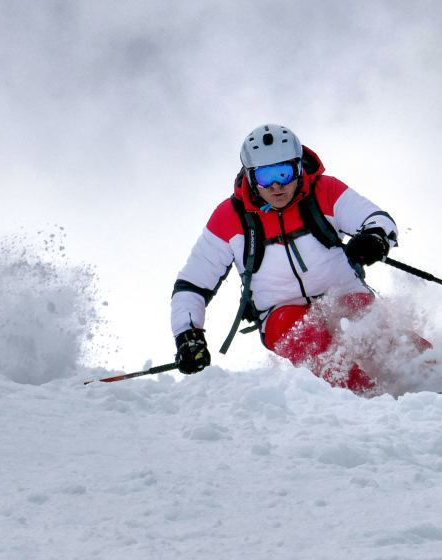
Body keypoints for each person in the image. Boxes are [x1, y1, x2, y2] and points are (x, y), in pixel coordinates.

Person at [170, 123, 420, 393]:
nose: (277, 186)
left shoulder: (324, 190)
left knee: (376, 331)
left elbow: (377, 219)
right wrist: (187, 334)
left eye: (283, 172)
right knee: (309, 338)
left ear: (298, 167)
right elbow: (192, 283)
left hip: (341, 293)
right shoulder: (230, 217)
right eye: (266, 177)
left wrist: (375, 237)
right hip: (280, 312)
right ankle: (370, 399)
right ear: (251, 176)